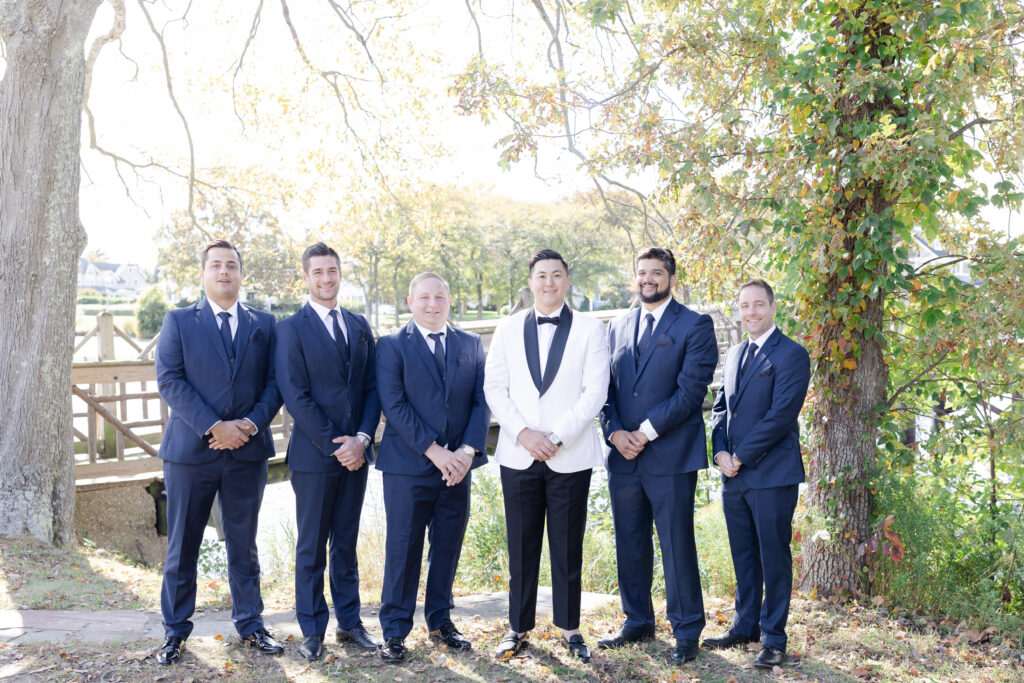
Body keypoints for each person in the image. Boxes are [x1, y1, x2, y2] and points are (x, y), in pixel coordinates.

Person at [154, 239, 284, 665]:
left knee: (243, 544)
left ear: (241, 273)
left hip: (247, 451)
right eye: (216, 265)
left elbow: (274, 384)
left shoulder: (265, 323)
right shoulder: (178, 321)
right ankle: (175, 632)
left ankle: (251, 625)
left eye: (231, 265)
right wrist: (215, 427)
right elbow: (171, 381)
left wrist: (246, 426)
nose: (224, 271)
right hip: (191, 452)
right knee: (183, 546)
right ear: (204, 273)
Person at [483, 249, 610, 663]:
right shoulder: (506, 328)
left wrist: (555, 436)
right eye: (542, 276)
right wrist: (522, 433)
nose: (549, 283)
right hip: (518, 453)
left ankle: (570, 628)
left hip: (568, 454)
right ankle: (518, 627)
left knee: (567, 545)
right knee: (521, 545)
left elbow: (596, 392)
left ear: (567, 281)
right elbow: (494, 389)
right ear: (531, 281)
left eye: (557, 275)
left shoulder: (591, 330)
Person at [598, 247, 718, 664]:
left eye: (656, 273)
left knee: (676, 542)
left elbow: (690, 393)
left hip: (669, 454)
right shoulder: (615, 325)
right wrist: (614, 432)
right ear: (635, 277)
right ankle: (637, 620)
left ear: (671, 278)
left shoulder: (695, 324)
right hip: (623, 456)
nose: (648, 279)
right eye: (642, 273)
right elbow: (603, 390)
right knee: (630, 541)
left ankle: (686, 630)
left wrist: (643, 433)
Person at [374, 272, 490, 663]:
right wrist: (437, 452)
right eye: (424, 297)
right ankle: (394, 630)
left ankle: (440, 620)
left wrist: (468, 452)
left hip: (459, 466)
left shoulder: (471, 344)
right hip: (409, 467)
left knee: (447, 545)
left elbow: (481, 401)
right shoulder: (391, 346)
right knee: (403, 547)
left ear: (450, 300)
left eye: (440, 297)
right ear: (410, 301)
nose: (432, 304)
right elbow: (394, 405)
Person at [274, 242, 382, 661]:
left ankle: (350, 624)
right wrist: (337, 446)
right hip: (314, 457)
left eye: (332, 271)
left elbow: (372, 388)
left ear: (340, 274)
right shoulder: (290, 329)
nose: (326, 278)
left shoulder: (358, 324)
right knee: (312, 545)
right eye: (317, 272)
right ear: (306, 277)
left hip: (358, 453)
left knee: (346, 544)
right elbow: (295, 396)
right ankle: (312, 629)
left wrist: (363, 439)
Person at [704, 279, 810, 669]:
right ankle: (744, 626)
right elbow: (719, 408)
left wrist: (742, 456)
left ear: (772, 307)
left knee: (773, 556)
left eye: (758, 305)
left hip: (771, 474)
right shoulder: (733, 354)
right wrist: (719, 451)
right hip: (733, 475)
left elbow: (780, 416)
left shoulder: (792, 355)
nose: (751, 312)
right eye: (744, 306)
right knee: (744, 555)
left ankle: (774, 638)